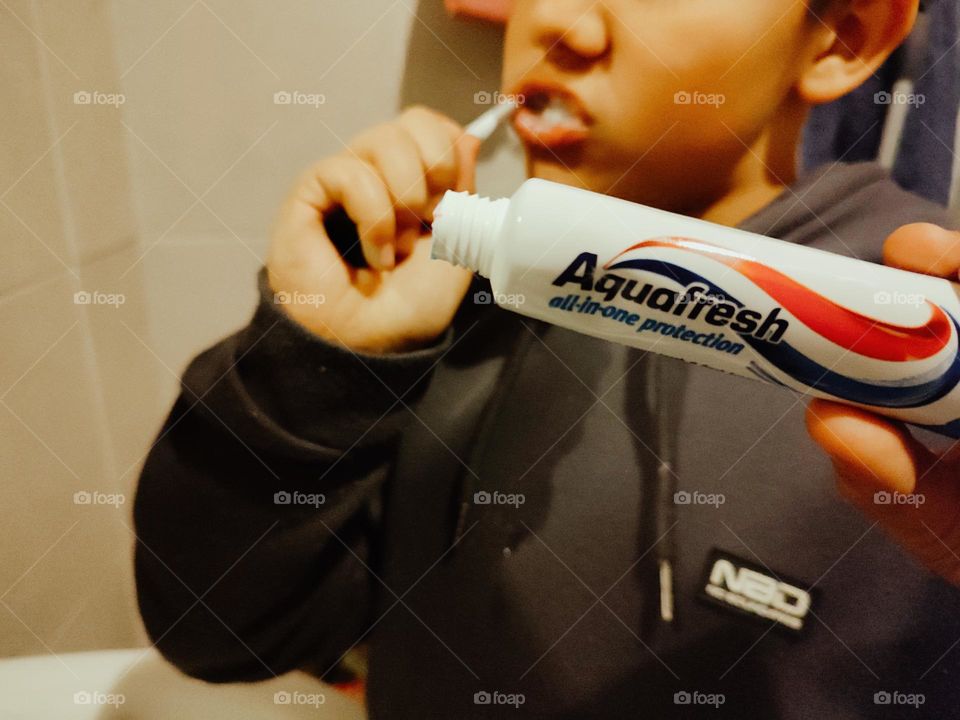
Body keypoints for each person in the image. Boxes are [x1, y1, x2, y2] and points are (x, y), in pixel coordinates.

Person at [133, 0, 960, 717]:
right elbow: (212, 634)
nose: (557, 23)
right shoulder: (439, 298)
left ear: (842, 35)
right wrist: (318, 362)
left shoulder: (913, 327)